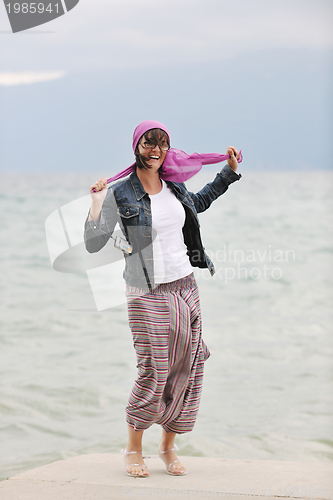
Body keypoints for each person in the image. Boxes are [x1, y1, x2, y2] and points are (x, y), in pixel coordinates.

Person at [84, 120, 242, 477]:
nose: (155, 150)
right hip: (146, 289)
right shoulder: (121, 193)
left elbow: (198, 204)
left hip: (185, 285)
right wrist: (96, 202)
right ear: (136, 147)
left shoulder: (175, 186)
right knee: (154, 367)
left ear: (167, 150)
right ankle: (132, 449)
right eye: (148, 143)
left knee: (192, 362)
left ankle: (168, 446)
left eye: (161, 144)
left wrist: (228, 173)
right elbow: (95, 242)